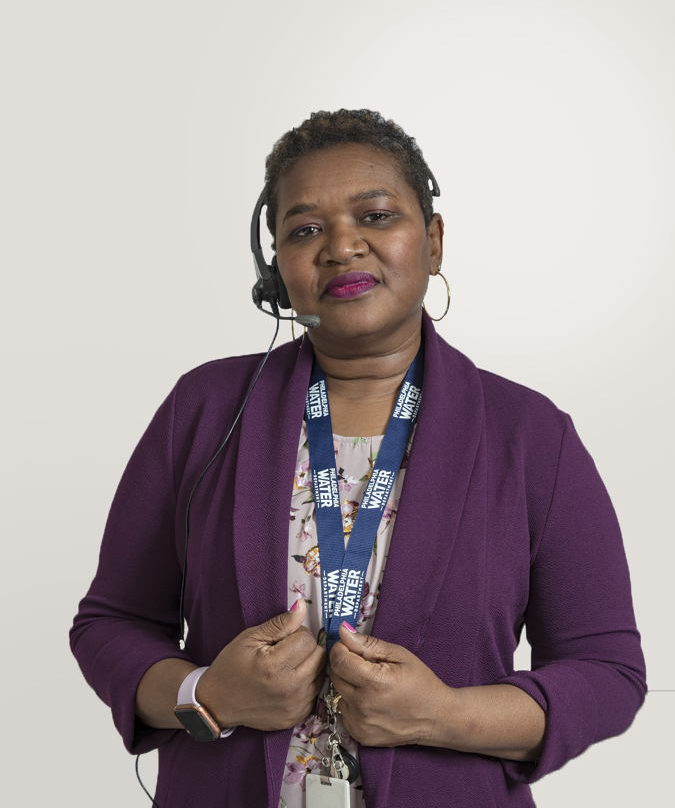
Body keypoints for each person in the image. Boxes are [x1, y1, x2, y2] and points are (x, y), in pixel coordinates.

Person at [70, 109, 646, 808]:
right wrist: (208, 693)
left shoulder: (530, 435)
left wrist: (443, 714)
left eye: (375, 216)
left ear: (432, 242)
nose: (342, 245)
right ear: (275, 270)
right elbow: (111, 623)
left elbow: (606, 672)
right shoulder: (203, 409)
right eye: (305, 229)